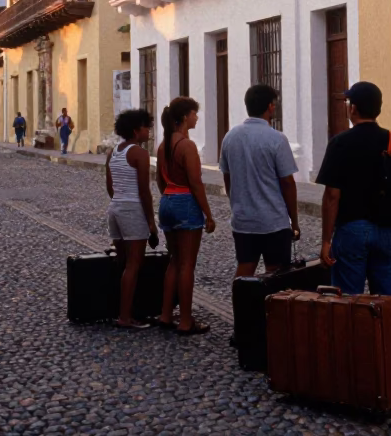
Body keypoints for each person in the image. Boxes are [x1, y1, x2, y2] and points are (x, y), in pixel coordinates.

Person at [315, 81, 391, 296]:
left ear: (353, 108)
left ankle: (352, 331)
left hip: (352, 230)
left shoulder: (341, 142)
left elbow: (332, 195)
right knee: (386, 298)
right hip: (388, 229)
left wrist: (326, 240)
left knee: (348, 298)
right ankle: (387, 330)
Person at [220, 84, 299, 279]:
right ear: (270, 107)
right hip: (273, 220)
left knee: (245, 270)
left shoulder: (230, 137)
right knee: (276, 274)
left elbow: (228, 178)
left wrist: (237, 204)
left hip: (243, 219)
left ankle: (241, 308)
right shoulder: (277, 139)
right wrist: (294, 221)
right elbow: (287, 182)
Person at [155, 97, 216, 335]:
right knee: (187, 265)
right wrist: (208, 214)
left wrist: (169, 197)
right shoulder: (187, 146)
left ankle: (166, 314)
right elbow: (196, 183)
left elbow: (160, 180)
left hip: (167, 199)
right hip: (185, 202)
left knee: (174, 261)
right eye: (194, 113)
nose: (197, 117)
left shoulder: (163, 146)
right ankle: (186, 320)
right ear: (184, 117)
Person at [105, 108, 159, 329]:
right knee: (134, 265)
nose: (149, 131)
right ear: (137, 130)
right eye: (146, 127)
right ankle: (125, 317)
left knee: (123, 263)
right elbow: (144, 191)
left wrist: (120, 200)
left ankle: (122, 309)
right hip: (132, 210)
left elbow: (110, 187)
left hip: (115, 208)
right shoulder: (139, 154)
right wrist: (151, 224)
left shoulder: (113, 153)